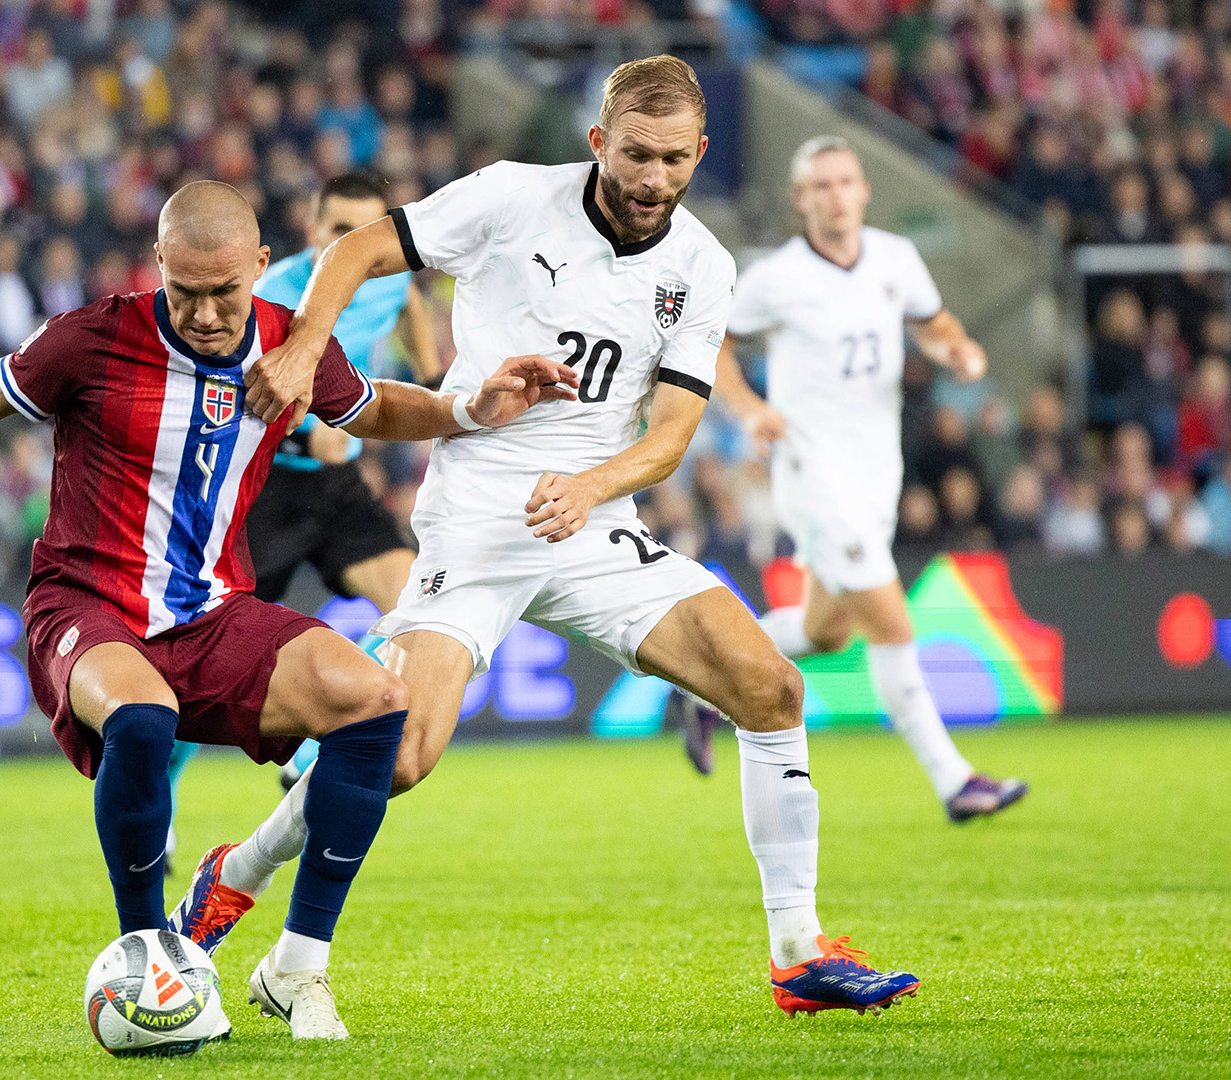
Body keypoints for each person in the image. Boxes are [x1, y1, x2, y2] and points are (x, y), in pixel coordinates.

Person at [0, 181, 577, 1040]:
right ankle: (151, 951)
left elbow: (375, 408)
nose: (202, 314)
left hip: (212, 613)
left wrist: (471, 406)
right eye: (183, 292)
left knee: (375, 705)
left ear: (262, 265)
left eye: (223, 292)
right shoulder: (91, 339)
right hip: (87, 604)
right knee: (145, 717)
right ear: (157, 264)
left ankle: (298, 965)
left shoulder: (288, 344)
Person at [180, 57, 922, 1017]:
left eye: (673, 159)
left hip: (597, 523)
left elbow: (671, 435)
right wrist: (305, 346)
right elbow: (355, 251)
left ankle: (798, 954)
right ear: (597, 142)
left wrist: (591, 487)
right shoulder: (510, 200)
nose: (653, 179)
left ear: (700, 153)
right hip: (481, 519)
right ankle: (238, 869)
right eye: (635, 155)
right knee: (397, 757)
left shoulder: (702, 264)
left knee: (771, 687)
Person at [694, 136, 1029, 824]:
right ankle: (955, 780)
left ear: (865, 190)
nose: (836, 195)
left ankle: (700, 683)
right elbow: (714, 341)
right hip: (813, 471)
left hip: (878, 470)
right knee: (891, 622)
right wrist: (750, 408)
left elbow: (934, 326)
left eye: (846, 181)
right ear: (800, 200)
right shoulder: (776, 276)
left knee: (826, 634)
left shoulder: (895, 259)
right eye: (821, 185)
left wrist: (957, 351)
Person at [163, 171, 446, 839]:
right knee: (203, 656)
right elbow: (223, 386)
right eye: (341, 231)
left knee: (420, 604)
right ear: (314, 232)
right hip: (262, 487)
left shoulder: (390, 278)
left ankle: (317, 750)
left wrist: (432, 372)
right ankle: (159, 787)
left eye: (368, 232)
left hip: (337, 486)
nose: (356, 245)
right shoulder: (273, 296)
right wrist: (302, 418)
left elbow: (403, 306)